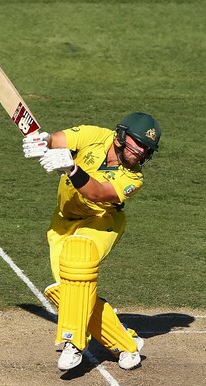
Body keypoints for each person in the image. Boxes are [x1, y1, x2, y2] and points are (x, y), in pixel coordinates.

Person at [22, 112, 161, 371]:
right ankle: (126, 343)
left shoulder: (134, 179)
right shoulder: (95, 136)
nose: (141, 152)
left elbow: (98, 193)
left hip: (101, 222)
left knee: (79, 258)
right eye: (138, 143)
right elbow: (58, 140)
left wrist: (72, 168)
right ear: (121, 135)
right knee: (69, 290)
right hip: (63, 220)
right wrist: (44, 141)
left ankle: (73, 342)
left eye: (147, 149)